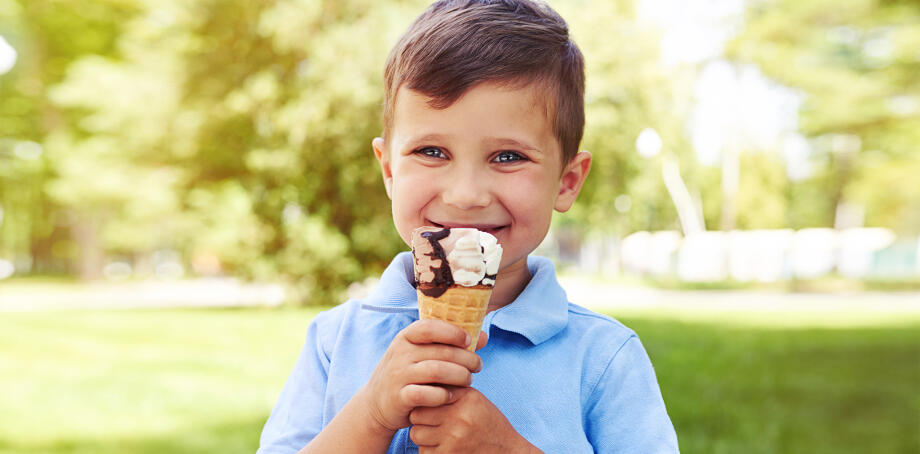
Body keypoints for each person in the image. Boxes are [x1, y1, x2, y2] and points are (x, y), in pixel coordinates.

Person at [258, 0, 679, 452]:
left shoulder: (603, 357)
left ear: (567, 181)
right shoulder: (335, 341)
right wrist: (372, 414)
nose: (465, 194)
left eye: (508, 157)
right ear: (389, 172)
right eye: (432, 152)